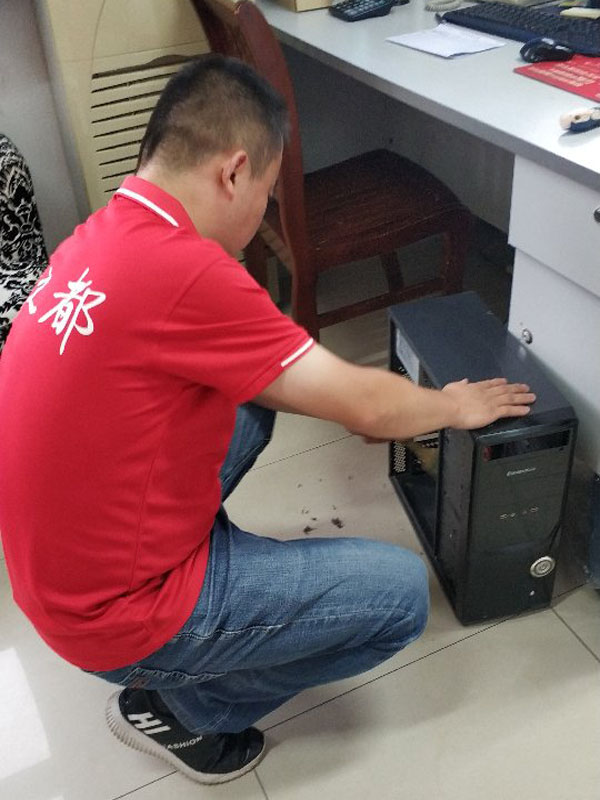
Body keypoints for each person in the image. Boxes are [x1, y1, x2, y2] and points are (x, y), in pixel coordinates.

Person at [0, 55, 535, 785]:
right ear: (234, 171)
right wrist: (452, 406)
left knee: (252, 400)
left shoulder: (104, 232)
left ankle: (191, 615)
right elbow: (369, 406)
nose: (261, 221)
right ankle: (189, 711)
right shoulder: (189, 272)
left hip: (57, 575)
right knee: (400, 599)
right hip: (115, 617)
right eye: (267, 194)